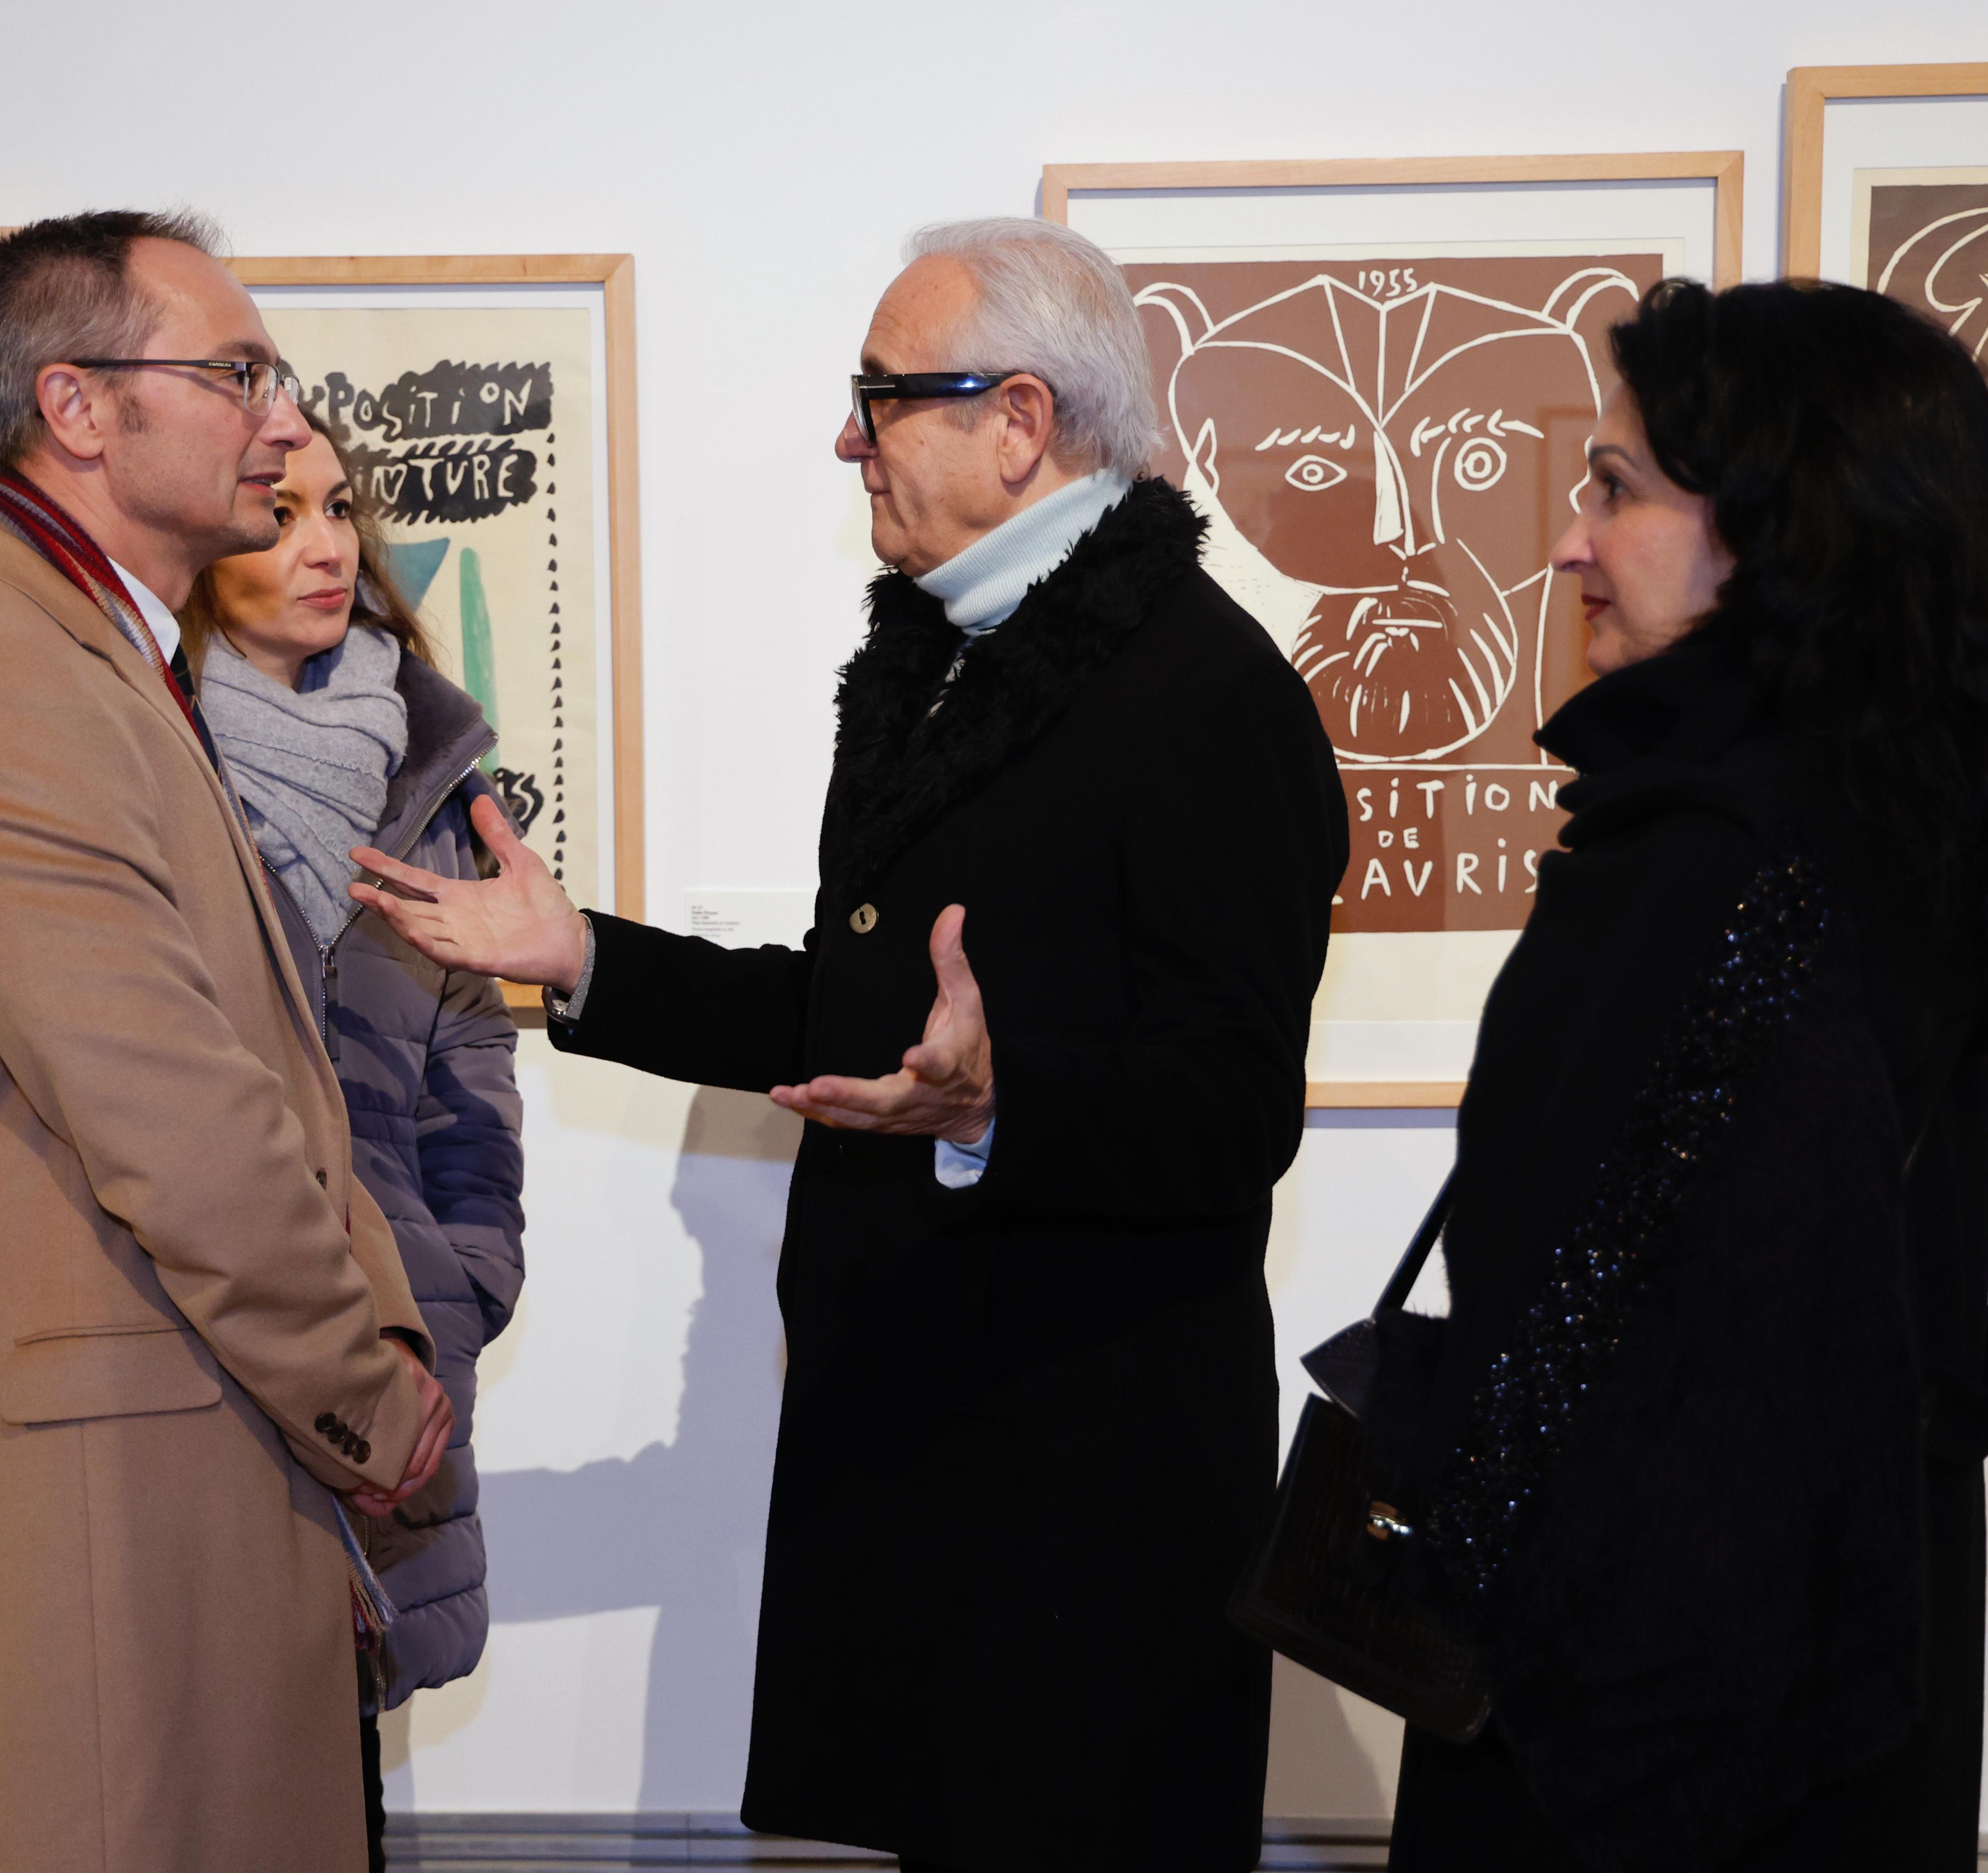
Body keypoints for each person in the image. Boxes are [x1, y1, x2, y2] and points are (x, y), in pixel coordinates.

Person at [349, 217, 1348, 1872]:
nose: (847, 438)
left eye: (883, 396)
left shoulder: (1205, 693)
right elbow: (852, 1019)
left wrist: (999, 1104)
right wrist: (584, 956)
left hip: (1086, 1500)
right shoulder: (940, 668)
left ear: (1018, 421)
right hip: (935, 1467)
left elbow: (1235, 1105)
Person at [1382, 278, 1988, 1869]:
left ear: (1781, 533)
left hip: (1639, 1745)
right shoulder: (1882, 825)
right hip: (1808, 1707)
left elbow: (1637, 1356)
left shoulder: (1718, 858)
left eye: (1616, 489)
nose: (1569, 543)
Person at [0, 211, 451, 1873]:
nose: (280, 419)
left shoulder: (86, 662)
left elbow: (253, 1080)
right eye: (237, 373)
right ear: (79, 407)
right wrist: (370, 1394)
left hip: (178, 1481)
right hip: (114, 1532)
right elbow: (184, 1126)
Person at [181, 419, 527, 1870]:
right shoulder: (148, 761)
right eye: (279, 515)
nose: (325, 547)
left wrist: (467, 1269)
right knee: (186, 1770)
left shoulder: (421, 769)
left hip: (397, 1362)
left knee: (338, 1783)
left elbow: (471, 1051)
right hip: (207, 1339)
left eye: (339, 510)